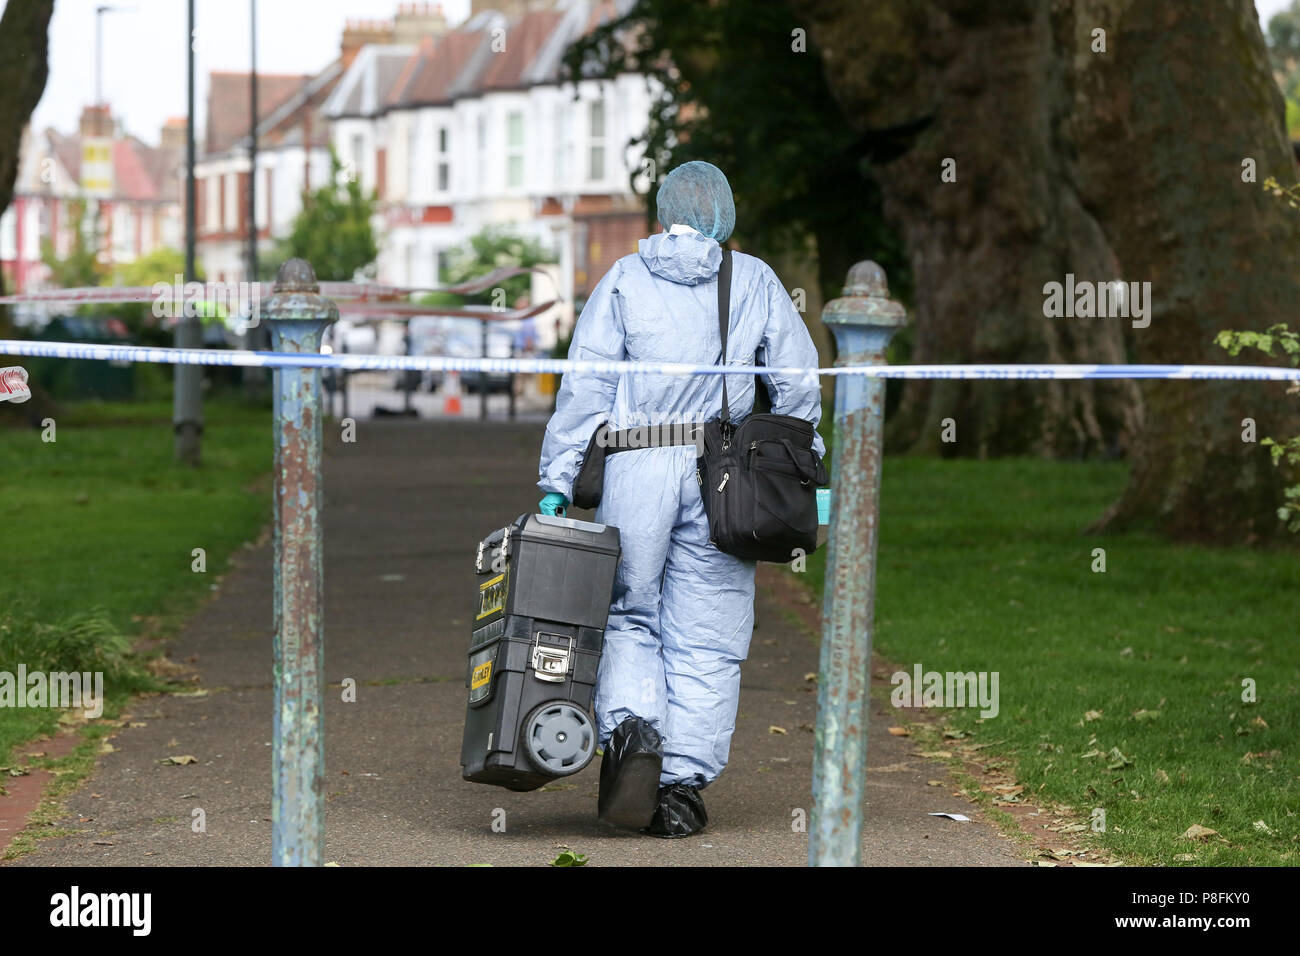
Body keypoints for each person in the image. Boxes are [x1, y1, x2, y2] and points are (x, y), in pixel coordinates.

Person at [536, 161, 824, 837]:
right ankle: (681, 787)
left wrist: (557, 479)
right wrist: (798, 462)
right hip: (724, 474)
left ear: (664, 212)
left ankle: (634, 730)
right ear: (724, 214)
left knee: (630, 611)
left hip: (635, 464)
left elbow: (586, 386)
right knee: (709, 633)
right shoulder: (752, 279)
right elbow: (797, 381)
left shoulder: (624, 280)